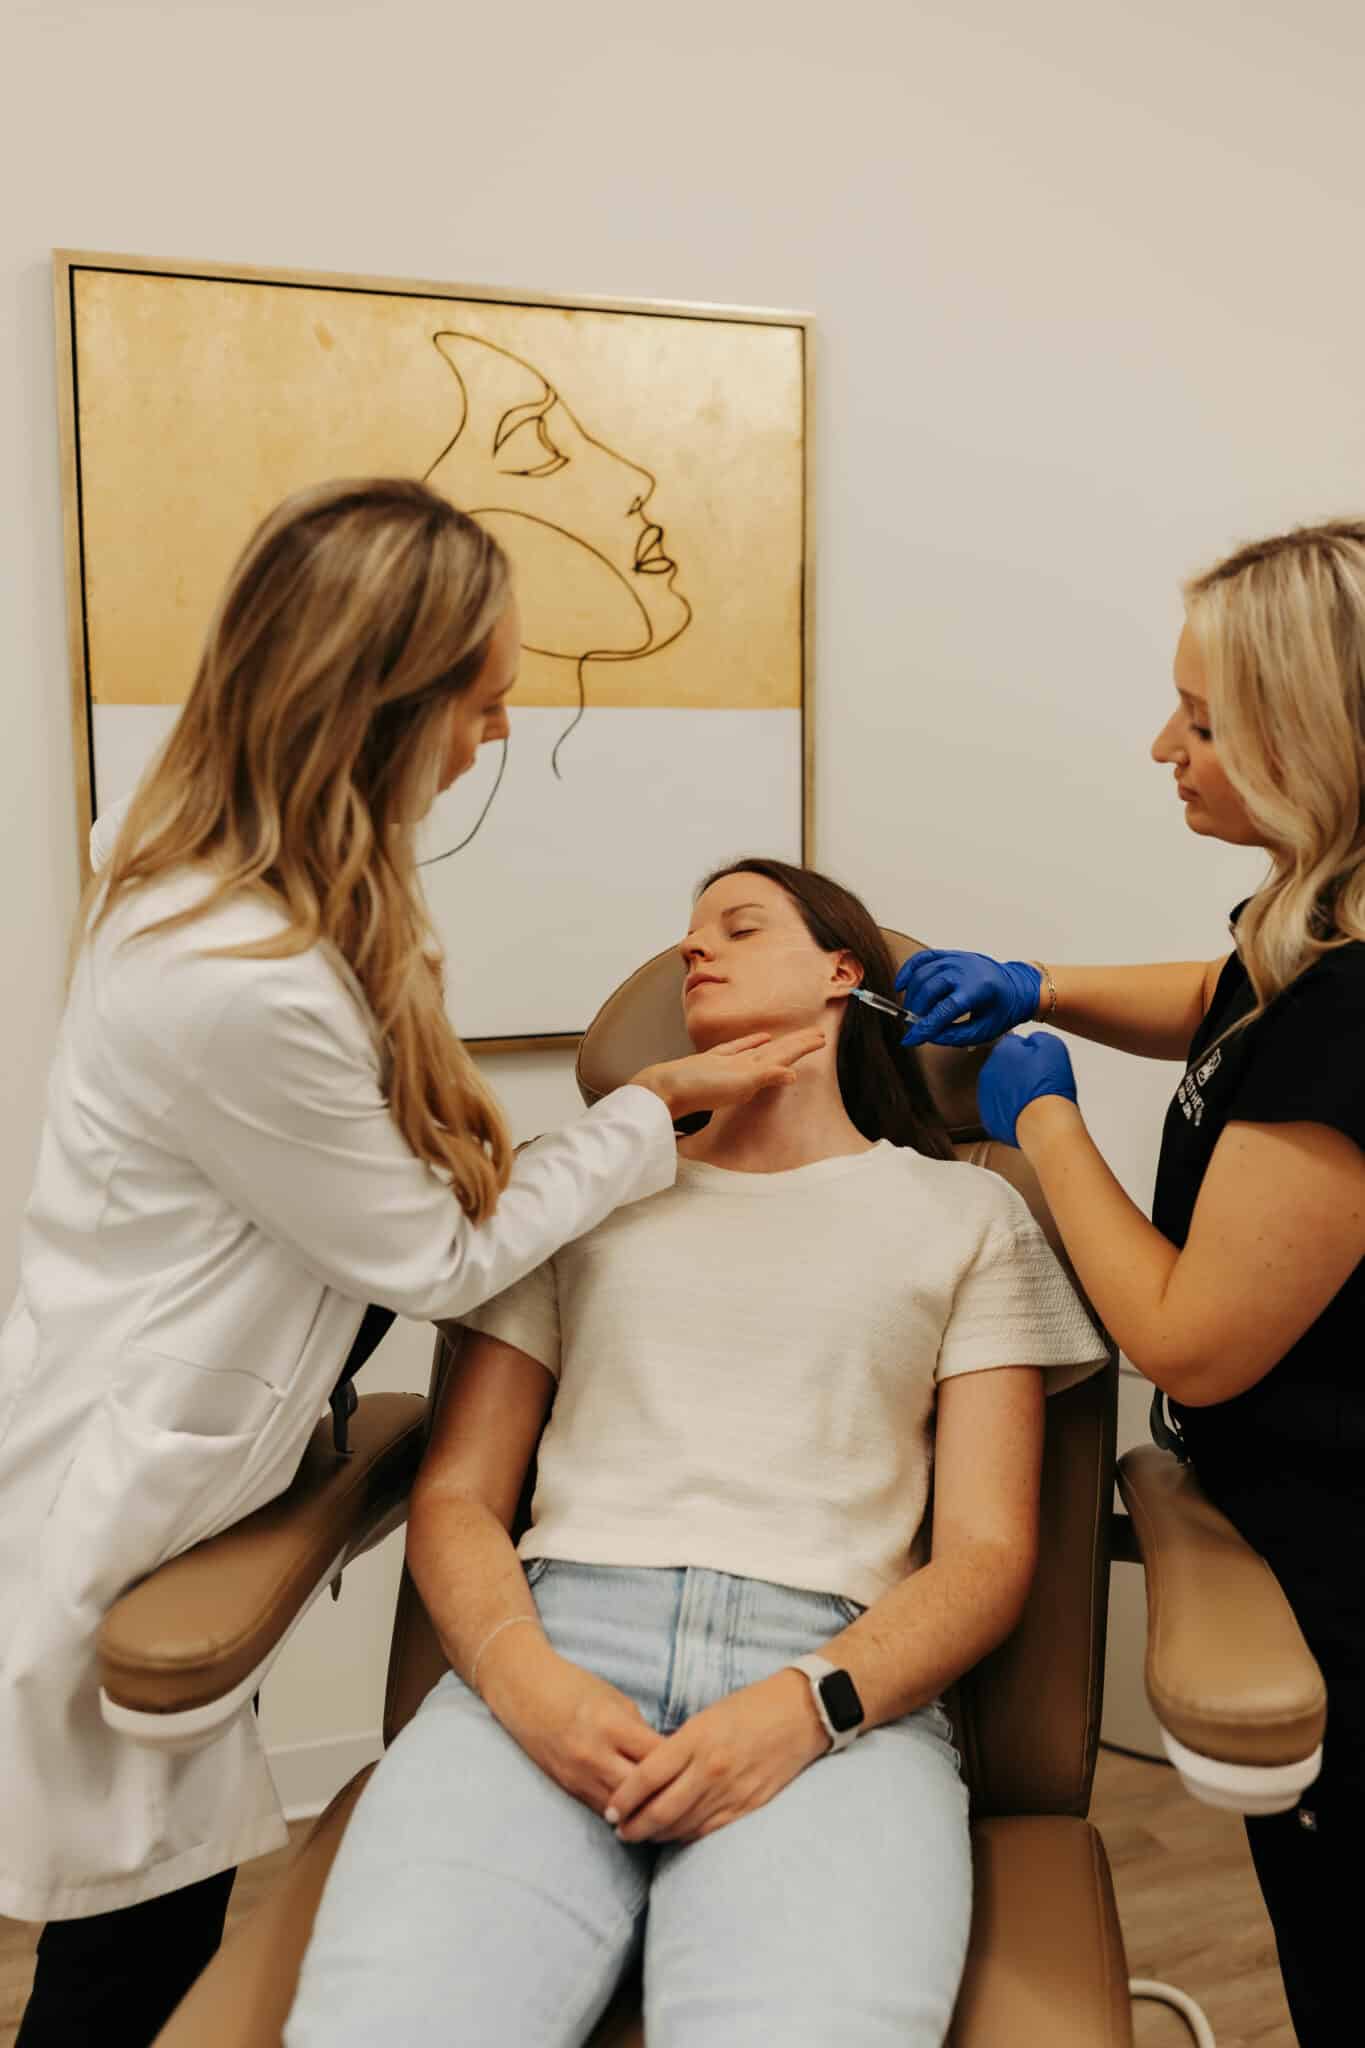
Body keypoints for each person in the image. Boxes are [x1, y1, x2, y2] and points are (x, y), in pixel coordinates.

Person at [2, 480, 823, 2048]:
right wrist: (644, 1114)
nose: (499, 731)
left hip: (198, 1426)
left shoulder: (219, 860)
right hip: (139, 1467)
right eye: (484, 696)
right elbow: (439, 1261)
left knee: (143, 1924)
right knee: (129, 1945)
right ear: (376, 710)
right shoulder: (230, 975)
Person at [284, 858, 1109, 2048]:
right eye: (686, 934)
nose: (693, 949)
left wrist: (809, 1703)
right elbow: (460, 1492)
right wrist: (529, 1680)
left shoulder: (965, 1211)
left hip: (835, 1694)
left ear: (843, 969)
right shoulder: (587, 1193)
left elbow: (985, 1551)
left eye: (737, 923)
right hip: (559, 1652)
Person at [895, 520, 1365, 2047]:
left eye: (1209, 721)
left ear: (1316, 737)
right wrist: (1049, 990)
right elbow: (1229, 1008)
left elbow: (1188, 1339)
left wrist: (1042, 1120)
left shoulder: (1359, 1003)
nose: (1164, 745)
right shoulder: (1317, 913)